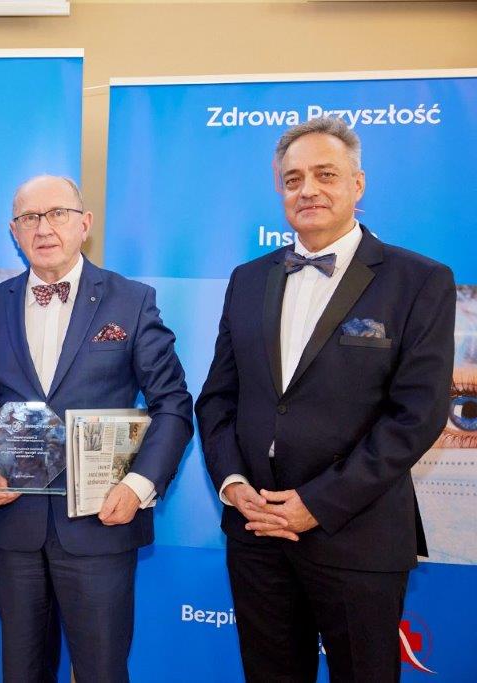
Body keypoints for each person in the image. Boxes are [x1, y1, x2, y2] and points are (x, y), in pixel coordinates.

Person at [195, 116, 455, 682]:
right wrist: (234, 485)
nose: (307, 189)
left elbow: (416, 415)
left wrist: (318, 502)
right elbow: (218, 399)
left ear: (357, 185)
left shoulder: (420, 280)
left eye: (325, 174)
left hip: (356, 534)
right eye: (292, 179)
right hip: (257, 532)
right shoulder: (247, 279)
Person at [0, 175, 193, 682]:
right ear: (13, 232)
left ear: (85, 224)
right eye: (29, 218)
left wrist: (138, 485)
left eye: (57, 213)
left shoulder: (132, 300)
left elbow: (173, 404)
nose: (44, 228)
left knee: (102, 671)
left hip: (100, 523)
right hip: (16, 528)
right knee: (22, 671)